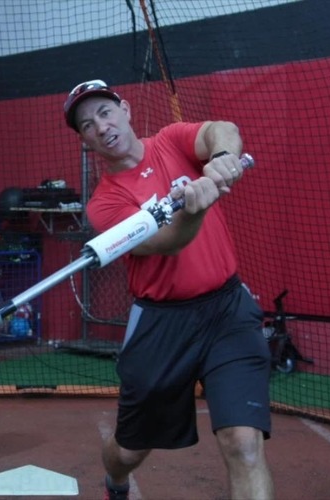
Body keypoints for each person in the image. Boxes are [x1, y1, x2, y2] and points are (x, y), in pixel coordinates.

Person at [64, 79, 274, 500]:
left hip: (227, 312)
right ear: (86, 141)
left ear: (125, 110)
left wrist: (222, 158)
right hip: (162, 324)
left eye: (105, 112)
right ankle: (115, 483)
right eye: (88, 125)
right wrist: (195, 209)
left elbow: (223, 130)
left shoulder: (170, 141)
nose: (101, 126)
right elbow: (167, 242)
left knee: (243, 444)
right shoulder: (103, 205)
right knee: (129, 451)